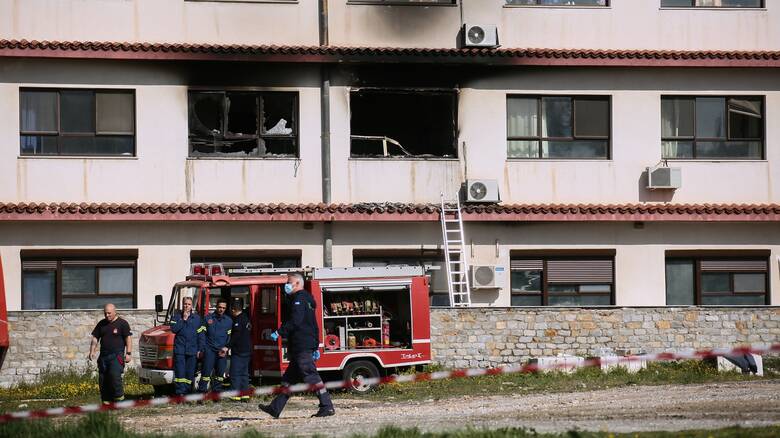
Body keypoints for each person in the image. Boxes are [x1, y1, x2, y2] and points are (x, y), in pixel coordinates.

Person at [258, 273, 334, 418]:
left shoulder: (299, 299)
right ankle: (275, 407)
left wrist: (279, 332)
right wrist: (316, 345)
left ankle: (327, 406)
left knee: (311, 375)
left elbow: (296, 320)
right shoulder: (308, 299)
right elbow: (314, 324)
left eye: (289, 282)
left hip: (301, 344)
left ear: (298, 284)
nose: (286, 284)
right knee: (289, 379)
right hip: (304, 343)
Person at [89, 303, 132, 405]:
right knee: (103, 379)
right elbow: (95, 338)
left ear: (115, 312)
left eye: (109, 313)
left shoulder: (122, 323)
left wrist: (129, 353)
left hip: (116, 355)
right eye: (105, 313)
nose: (107, 315)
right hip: (104, 356)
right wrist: (92, 351)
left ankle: (119, 400)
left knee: (114, 376)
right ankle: (106, 402)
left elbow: (128, 338)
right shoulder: (101, 324)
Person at [197, 298, 232, 393]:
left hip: (222, 351)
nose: (221, 309)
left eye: (223, 308)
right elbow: (201, 334)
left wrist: (226, 347)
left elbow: (230, 337)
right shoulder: (208, 318)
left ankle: (216, 394)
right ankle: (201, 394)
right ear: (216, 307)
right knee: (205, 374)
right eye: (220, 307)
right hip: (209, 350)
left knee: (220, 375)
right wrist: (202, 348)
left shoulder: (229, 321)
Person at [171, 296, 204, 395]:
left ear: (191, 306)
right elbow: (174, 329)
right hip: (180, 350)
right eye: (185, 304)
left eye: (189, 304)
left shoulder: (197, 319)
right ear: (182, 304)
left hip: (192, 351)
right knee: (180, 374)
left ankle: (187, 393)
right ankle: (180, 393)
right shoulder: (176, 317)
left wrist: (200, 349)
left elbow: (201, 336)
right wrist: (183, 320)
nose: (187, 306)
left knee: (189, 374)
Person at [227, 298, 252, 402]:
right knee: (244, 373)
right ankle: (245, 395)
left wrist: (227, 346)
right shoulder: (246, 318)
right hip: (247, 350)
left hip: (239, 351)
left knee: (235, 373)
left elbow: (236, 336)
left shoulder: (238, 320)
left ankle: (235, 395)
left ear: (233, 310)